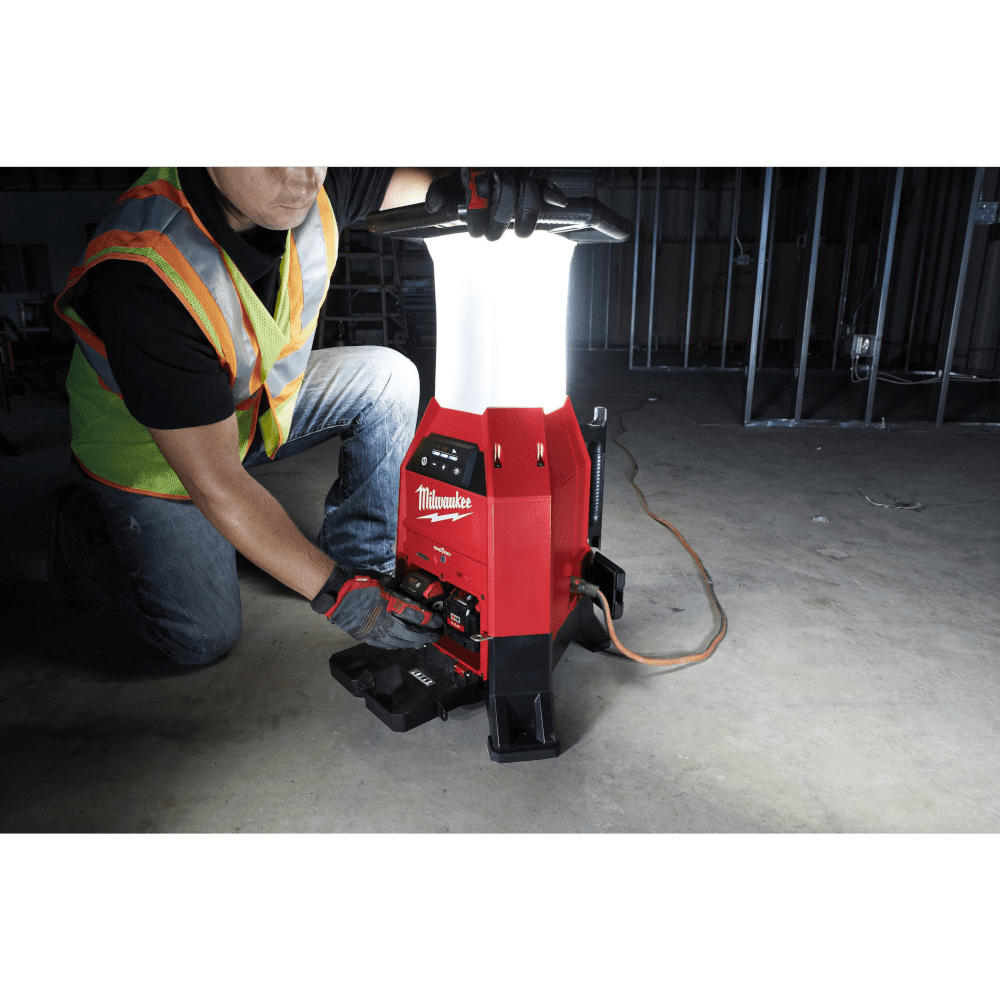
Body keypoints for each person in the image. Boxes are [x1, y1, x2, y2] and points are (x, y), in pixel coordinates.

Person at [49, 166, 554, 666]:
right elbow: (217, 483)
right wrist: (337, 597)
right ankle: (81, 539)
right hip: (152, 453)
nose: (302, 177)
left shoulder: (317, 182)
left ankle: (362, 562)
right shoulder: (147, 272)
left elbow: (411, 187)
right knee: (202, 635)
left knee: (388, 377)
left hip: (245, 407)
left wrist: (475, 191)